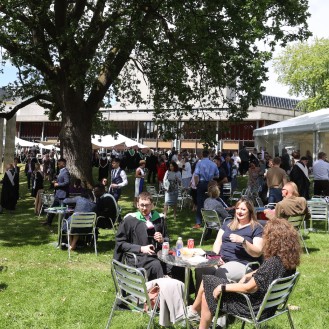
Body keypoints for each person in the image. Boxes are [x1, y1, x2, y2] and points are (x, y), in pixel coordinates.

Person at [188, 218, 301, 328]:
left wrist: (222, 287)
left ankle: (193, 313)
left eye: (266, 236)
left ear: (274, 239)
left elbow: (248, 288)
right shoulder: (287, 261)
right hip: (268, 307)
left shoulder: (272, 263)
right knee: (208, 282)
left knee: (208, 286)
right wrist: (248, 274)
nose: (264, 238)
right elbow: (264, 272)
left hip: (252, 307)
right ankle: (194, 313)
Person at [194, 198, 263, 292]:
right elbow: (218, 242)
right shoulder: (228, 224)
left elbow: (258, 252)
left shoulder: (256, 228)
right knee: (202, 267)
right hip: (221, 259)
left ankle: (214, 303)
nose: (239, 211)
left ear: (250, 211)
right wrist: (216, 257)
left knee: (220, 273)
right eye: (237, 208)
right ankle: (200, 301)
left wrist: (243, 241)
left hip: (241, 263)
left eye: (243, 209)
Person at [114, 192, 170, 280]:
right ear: (137, 205)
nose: (144, 208)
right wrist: (141, 248)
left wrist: (162, 240)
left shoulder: (159, 219)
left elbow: (167, 239)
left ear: (152, 205)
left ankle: (181, 292)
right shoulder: (129, 221)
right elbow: (120, 243)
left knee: (178, 266)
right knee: (156, 265)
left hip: (159, 255)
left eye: (147, 205)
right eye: (142, 205)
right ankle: (157, 292)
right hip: (139, 257)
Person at [193, 150, 219, 229]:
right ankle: (211, 220)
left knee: (200, 203)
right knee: (211, 201)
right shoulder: (213, 164)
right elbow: (217, 176)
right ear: (209, 155)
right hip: (210, 183)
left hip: (201, 183)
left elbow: (196, 175)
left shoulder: (199, 163)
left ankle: (198, 223)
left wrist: (197, 183)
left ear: (202, 155)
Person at [42, 158, 70, 226]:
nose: (58, 165)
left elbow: (67, 182)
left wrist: (58, 184)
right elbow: (61, 180)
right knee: (52, 208)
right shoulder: (61, 171)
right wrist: (55, 182)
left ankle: (64, 224)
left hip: (62, 195)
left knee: (63, 211)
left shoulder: (65, 172)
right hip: (57, 194)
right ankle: (48, 222)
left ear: (63, 164)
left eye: (59, 163)